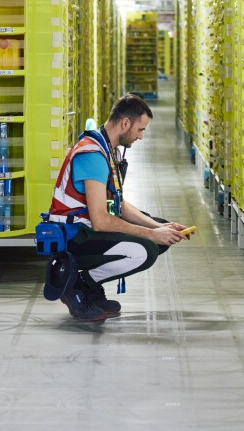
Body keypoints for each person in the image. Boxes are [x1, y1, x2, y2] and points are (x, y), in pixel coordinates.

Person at [44, 94, 190, 321]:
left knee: (161, 230)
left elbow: (118, 205)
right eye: (140, 130)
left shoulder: (106, 148)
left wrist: (160, 227)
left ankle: (91, 283)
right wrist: (152, 234)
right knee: (147, 249)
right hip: (74, 236)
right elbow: (102, 220)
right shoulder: (92, 155)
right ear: (125, 123)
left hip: (88, 228)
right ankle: (80, 284)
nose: (141, 137)